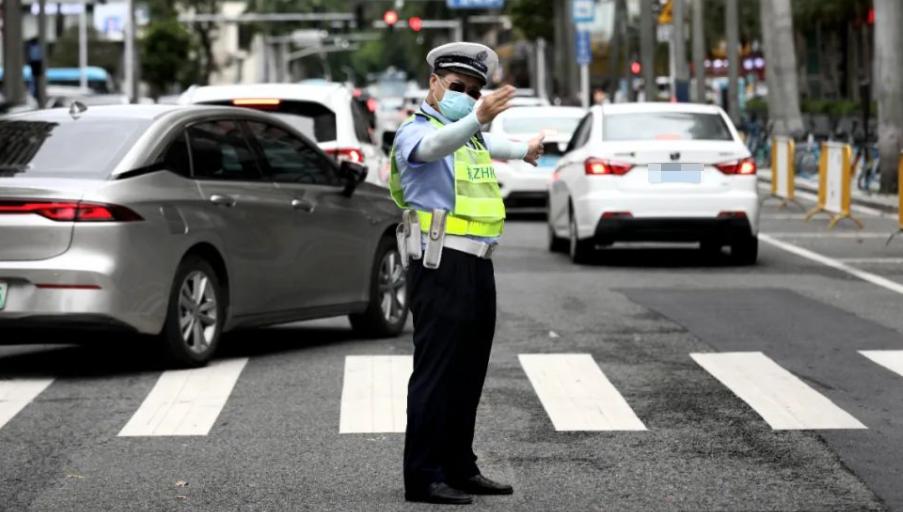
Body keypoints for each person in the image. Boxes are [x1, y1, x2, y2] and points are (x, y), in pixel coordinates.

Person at [388, 42, 545, 505]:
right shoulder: (413, 132)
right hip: (439, 262)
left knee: (468, 372)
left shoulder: (469, 135)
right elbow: (439, 145)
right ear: (434, 84)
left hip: (477, 263)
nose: (466, 96)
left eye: (475, 91)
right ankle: (423, 475)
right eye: (457, 87)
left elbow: (489, 143)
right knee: (437, 372)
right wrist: (478, 116)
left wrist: (525, 149)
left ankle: (459, 466)